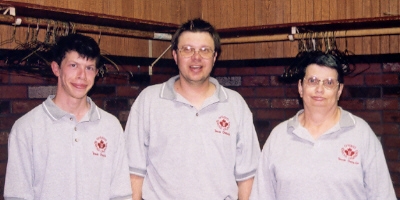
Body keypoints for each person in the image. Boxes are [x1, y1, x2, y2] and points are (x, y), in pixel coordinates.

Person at [125, 18, 260, 200]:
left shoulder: (236, 105)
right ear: (175, 55)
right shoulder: (148, 101)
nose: (196, 57)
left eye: (205, 50)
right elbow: (133, 172)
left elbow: (248, 178)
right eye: (187, 49)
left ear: (215, 57)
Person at [250, 51, 396, 200]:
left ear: (339, 90)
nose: (320, 89)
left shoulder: (362, 134)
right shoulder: (278, 136)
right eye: (313, 81)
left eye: (329, 82)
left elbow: (383, 195)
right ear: (300, 87)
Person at [4, 34, 132, 200]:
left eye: (89, 68)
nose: (82, 76)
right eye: (73, 65)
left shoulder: (111, 126)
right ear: (56, 68)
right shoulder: (26, 128)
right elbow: (17, 196)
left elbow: (121, 194)